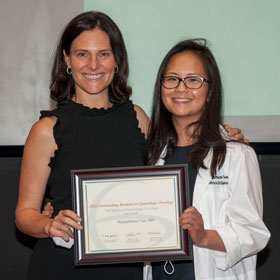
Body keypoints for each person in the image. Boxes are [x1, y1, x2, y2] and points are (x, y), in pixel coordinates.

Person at [15, 11, 245, 280]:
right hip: (63, 267)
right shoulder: (46, 130)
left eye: (103, 54)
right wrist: (49, 225)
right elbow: (24, 214)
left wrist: (225, 137)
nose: (93, 65)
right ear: (67, 59)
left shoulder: (138, 118)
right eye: (82, 54)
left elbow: (179, 149)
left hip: (127, 268)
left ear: (116, 60)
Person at [146, 39, 270, 280]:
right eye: (172, 79)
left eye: (193, 80)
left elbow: (253, 234)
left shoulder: (238, 155)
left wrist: (204, 236)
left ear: (210, 92)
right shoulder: (151, 156)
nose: (180, 88)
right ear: (161, 88)